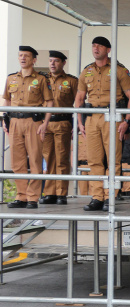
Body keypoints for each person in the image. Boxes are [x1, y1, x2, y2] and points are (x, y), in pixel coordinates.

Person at [73, 36, 130, 212]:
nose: (96, 49)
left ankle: (110, 196)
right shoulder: (86, 71)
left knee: (113, 159)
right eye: (93, 46)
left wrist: (127, 120)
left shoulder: (119, 70)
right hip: (92, 117)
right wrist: (79, 122)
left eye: (100, 46)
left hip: (113, 116)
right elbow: (79, 98)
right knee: (94, 160)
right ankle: (97, 197)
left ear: (108, 50)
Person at [2, 46, 52, 209]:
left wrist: (45, 123)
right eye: (20, 55)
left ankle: (32, 197)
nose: (23, 58)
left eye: (26, 56)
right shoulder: (11, 78)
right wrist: (4, 119)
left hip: (33, 122)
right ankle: (21, 196)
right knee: (17, 161)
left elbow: (49, 101)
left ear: (34, 60)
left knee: (35, 160)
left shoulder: (41, 79)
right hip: (15, 121)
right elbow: (7, 99)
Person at [40, 50, 78, 205]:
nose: (52, 64)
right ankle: (50, 193)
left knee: (62, 158)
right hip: (45, 123)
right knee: (48, 157)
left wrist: (77, 124)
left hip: (63, 122)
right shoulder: (42, 79)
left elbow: (79, 102)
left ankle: (61, 193)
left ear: (63, 63)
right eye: (50, 61)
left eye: (56, 61)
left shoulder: (71, 81)